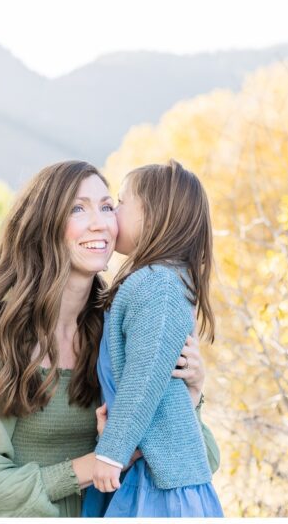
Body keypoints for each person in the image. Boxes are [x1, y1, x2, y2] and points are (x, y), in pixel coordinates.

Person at [0, 160, 219, 517]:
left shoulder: (120, 329)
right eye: (78, 209)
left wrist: (190, 398)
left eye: (108, 206)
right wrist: (97, 463)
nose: (100, 222)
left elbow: (204, 460)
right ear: (42, 225)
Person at [83, 159, 224, 517]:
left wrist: (111, 452)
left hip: (159, 486)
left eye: (121, 201)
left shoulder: (156, 286)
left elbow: (143, 380)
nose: (113, 211)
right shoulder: (160, 283)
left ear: (154, 217)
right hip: (148, 471)